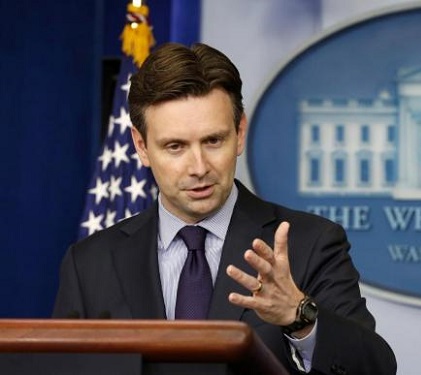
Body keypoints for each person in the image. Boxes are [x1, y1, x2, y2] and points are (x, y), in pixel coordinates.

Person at [53, 42, 397, 375]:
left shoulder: (309, 244)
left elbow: (375, 368)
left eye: (213, 140)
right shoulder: (90, 264)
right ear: (141, 147)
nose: (199, 166)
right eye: (175, 146)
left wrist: (299, 316)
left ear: (240, 132)